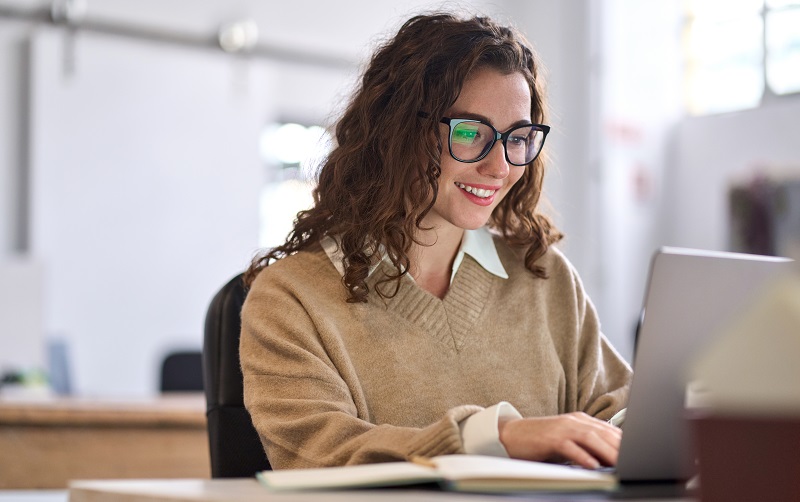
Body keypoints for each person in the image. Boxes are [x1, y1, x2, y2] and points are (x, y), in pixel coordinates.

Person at [240, 11, 632, 471]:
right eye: (469, 133)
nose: (500, 168)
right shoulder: (290, 299)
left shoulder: (545, 278)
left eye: (518, 137)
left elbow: (619, 417)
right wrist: (497, 438)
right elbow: (322, 454)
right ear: (397, 132)